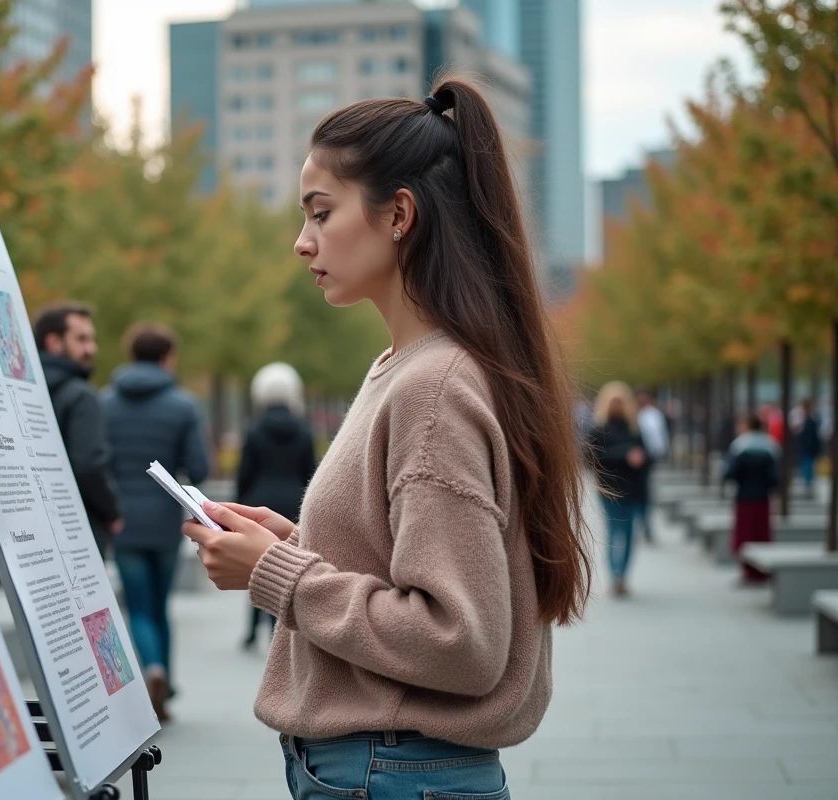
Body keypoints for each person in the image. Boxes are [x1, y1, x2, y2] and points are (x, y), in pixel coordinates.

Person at [180, 80, 592, 799]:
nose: (301, 240)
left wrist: (278, 575)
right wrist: (292, 544)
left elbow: (458, 639)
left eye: (321, 212)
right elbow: (404, 561)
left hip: (392, 771)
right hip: (389, 767)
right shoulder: (409, 369)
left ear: (399, 213)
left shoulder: (433, 387)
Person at [103, 322, 209, 722]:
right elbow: (198, 466)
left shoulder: (104, 402)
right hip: (165, 521)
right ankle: (163, 683)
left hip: (122, 518)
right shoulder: (183, 405)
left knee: (139, 606)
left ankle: (150, 670)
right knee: (161, 606)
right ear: (167, 357)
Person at [236, 362, 317, 650]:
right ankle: (277, 629)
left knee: (255, 563)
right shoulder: (305, 430)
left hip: (259, 501)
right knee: (283, 563)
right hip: (294, 500)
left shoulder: (254, 429)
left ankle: (251, 628)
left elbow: (245, 472)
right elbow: (312, 471)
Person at [34, 302, 122, 559]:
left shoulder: (21, 386)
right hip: (80, 525)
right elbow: (90, 464)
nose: (91, 349)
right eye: (82, 339)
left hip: (33, 521)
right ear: (54, 342)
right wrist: (111, 511)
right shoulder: (81, 396)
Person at [587, 382, 648, 598]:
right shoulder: (598, 429)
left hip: (632, 488)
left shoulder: (634, 428)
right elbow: (591, 458)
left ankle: (622, 574)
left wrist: (640, 458)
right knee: (614, 531)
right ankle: (615, 575)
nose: (617, 406)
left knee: (630, 533)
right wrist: (625, 455)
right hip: (609, 489)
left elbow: (646, 456)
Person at [725, 414, 780, 584]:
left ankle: (748, 571)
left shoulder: (739, 446)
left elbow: (730, 473)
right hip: (763, 498)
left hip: (744, 497)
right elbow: (775, 478)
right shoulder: (770, 446)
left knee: (745, 535)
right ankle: (762, 572)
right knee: (761, 533)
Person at [634, 390, 669, 544]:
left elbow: (657, 439)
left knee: (644, 495)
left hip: (645, 460)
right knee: (640, 495)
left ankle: (645, 527)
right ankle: (641, 527)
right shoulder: (637, 415)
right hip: (637, 460)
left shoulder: (651, 415)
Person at [795, 398, 823, 497]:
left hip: (808, 449)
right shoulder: (809, 420)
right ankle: (808, 487)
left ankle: (808, 488)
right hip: (808, 448)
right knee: (807, 468)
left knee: (808, 469)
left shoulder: (810, 420)